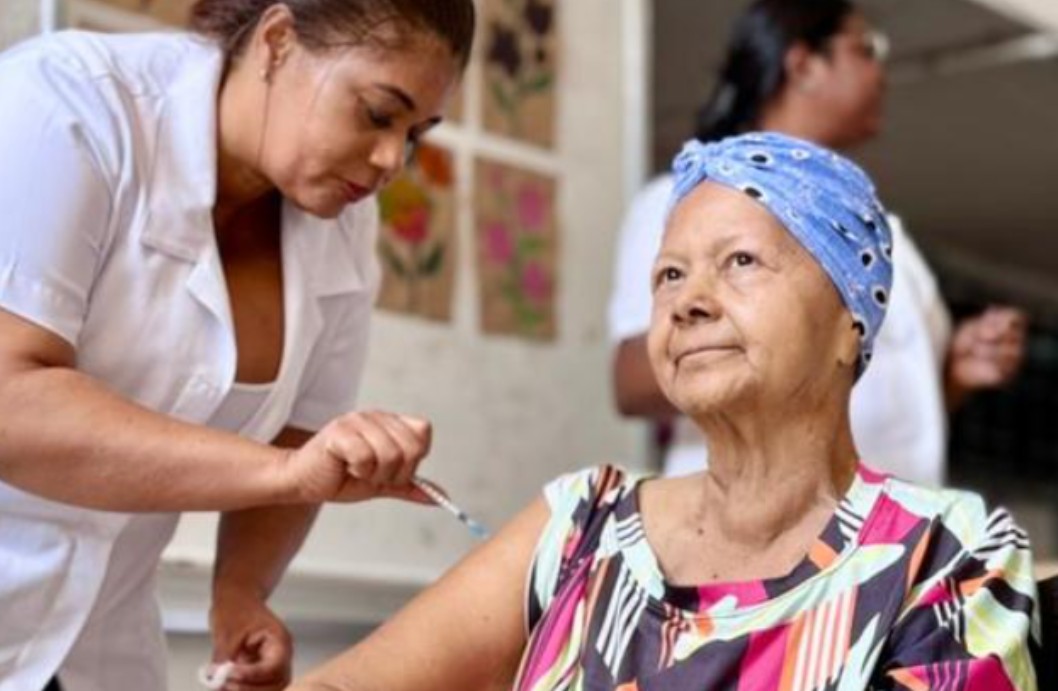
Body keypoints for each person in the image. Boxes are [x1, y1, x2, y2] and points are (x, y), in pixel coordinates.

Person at [286, 133, 1040, 691]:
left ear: (850, 322)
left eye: (741, 262)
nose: (688, 301)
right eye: (669, 275)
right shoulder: (581, 524)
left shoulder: (951, 556)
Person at [0, 1, 474, 689]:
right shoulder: (67, 107)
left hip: (97, 651)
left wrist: (242, 591)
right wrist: (285, 473)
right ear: (278, 41)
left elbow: (301, 432)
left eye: (415, 135)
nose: (389, 161)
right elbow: (10, 402)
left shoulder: (341, 223)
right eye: (377, 113)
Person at [609, 0, 1027, 485]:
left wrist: (952, 373)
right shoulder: (692, 204)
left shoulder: (883, 237)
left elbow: (881, 408)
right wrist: (771, 338)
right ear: (804, 64)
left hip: (892, 524)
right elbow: (630, 382)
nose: (881, 73)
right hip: (756, 522)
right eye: (866, 49)